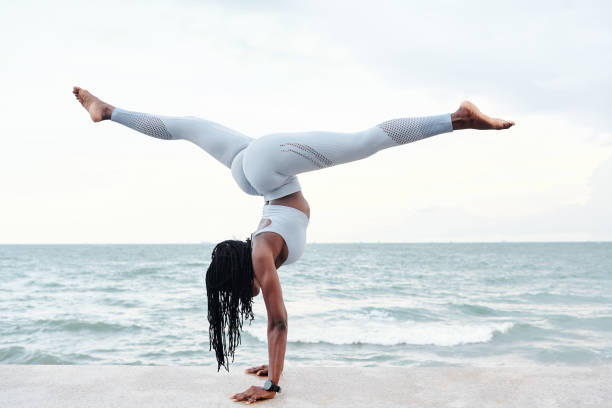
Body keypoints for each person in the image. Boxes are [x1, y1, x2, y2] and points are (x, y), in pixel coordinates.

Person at [73, 86, 514, 404]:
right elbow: (274, 326)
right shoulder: (259, 247)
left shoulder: (261, 256)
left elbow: (279, 322)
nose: (243, 297)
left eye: (234, 291)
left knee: (363, 142)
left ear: (240, 271)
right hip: (254, 174)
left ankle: (459, 118)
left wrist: (272, 385)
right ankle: (108, 111)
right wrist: (273, 362)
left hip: (264, 168)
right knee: (187, 128)